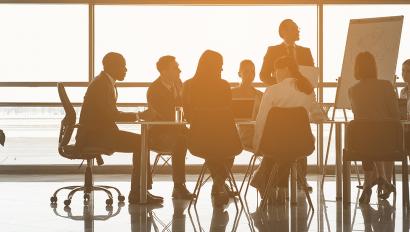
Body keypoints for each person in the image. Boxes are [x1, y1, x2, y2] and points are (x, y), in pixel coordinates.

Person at [75, 52, 163, 204]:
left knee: (142, 141)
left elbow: (108, 114)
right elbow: (112, 114)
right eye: (123, 66)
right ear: (112, 67)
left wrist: (138, 115)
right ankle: (139, 192)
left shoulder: (104, 82)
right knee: (142, 143)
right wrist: (139, 115)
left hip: (98, 133)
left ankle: (140, 191)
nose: (126, 69)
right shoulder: (102, 85)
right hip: (97, 136)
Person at [251, 56, 326, 204]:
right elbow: (319, 118)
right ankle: (279, 189)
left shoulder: (272, 91)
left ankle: (270, 186)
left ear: (284, 69)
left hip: (275, 144)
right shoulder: (307, 89)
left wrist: (257, 145)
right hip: (301, 145)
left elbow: (262, 120)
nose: (274, 75)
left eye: (275, 72)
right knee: (288, 152)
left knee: (279, 149)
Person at [183, 50, 242, 207]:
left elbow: (188, 116)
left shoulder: (188, 85)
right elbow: (230, 113)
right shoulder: (224, 86)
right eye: (220, 67)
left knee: (212, 150)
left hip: (199, 141)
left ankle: (219, 181)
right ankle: (219, 181)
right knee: (226, 150)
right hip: (226, 141)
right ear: (215, 67)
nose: (222, 70)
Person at [259, 19, 315, 186]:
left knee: (301, 130)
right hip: (280, 103)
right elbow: (263, 75)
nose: (299, 31)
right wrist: (278, 88)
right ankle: (280, 179)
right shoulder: (273, 50)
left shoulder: (306, 51)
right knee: (284, 137)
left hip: (299, 100)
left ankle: (301, 178)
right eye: (295, 29)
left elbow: (310, 75)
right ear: (284, 31)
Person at [348, 51, 398, 204]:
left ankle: (368, 184)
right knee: (380, 138)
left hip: (362, 144)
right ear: (374, 67)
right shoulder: (386, 85)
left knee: (368, 138)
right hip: (386, 142)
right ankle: (383, 179)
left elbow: (359, 118)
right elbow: (395, 115)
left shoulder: (353, 90)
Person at [144, 55, 194, 199]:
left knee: (205, 136)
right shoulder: (155, 90)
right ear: (164, 71)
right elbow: (166, 115)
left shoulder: (178, 85)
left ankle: (220, 182)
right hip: (159, 135)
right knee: (180, 140)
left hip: (178, 131)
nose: (180, 70)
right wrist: (180, 96)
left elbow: (186, 108)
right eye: (175, 67)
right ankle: (179, 186)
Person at [231, 59, 263, 150]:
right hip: (241, 137)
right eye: (246, 71)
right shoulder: (232, 93)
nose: (250, 74)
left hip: (260, 135)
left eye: (253, 71)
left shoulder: (260, 95)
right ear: (239, 74)